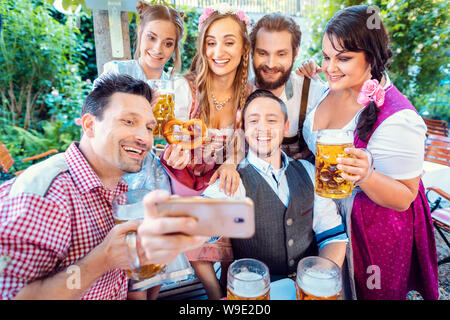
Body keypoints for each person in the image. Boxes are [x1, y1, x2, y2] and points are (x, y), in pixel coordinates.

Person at [0, 74, 207, 300]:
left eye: (149, 127)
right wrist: (104, 259)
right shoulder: (47, 198)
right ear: (90, 125)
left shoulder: (117, 186)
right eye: (128, 121)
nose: (144, 138)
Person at [297, 5, 439, 300]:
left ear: (371, 58)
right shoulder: (330, 86)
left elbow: (405, 198)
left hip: (370, 231)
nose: (330, 67)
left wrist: (367, 175)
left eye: (343, 58)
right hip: (323, 221)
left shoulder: (400, 118)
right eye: (326, 56)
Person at [202, 89, 348, 289]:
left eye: (272, 120)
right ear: (244, 128)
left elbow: (332, 236)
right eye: (253, 121)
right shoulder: (232, 181)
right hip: (255, 294)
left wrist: (317, 282)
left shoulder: (309, 171)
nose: (263, 128)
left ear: (286, 126)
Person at [159, 4, 253, 300]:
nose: (218, 52)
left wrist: (232, 164)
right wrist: (177, 150)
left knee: (234, 191)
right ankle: (214, 293)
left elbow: (249, 138)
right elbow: (173, 136)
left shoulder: (249, 94)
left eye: (229, 41)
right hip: (187, 176)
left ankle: (230, 286)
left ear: (243, 48)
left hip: (223, 175)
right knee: (189, 209)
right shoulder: (186, 88)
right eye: (211, 42)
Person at [249, 13, 328, 160]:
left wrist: (311, 152)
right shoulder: (240, 93)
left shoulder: (311, 92)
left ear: (295, 53)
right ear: (252, 52)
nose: (271, 64)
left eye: (281, 54)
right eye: (262, 53)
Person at [101, 2, 184, 81]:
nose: (158, 49)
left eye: (168, 44)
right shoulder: (116, 73)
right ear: (139, 31)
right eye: (151, 38)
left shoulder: (172, 88)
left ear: (175, 46)